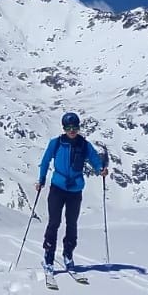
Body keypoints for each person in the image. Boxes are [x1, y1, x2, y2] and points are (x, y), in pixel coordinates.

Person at [36, 112, 107, 274]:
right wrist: (41, 180)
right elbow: (45, 161)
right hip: (57, 188)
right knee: (54, 222)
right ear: (64, 128)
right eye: (69, 127)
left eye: (75, 127)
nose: (72, 130)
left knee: (72, 223)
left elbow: (95, 160)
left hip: (75, 189)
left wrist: (100, 170)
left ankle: (68, 254)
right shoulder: (56, 143)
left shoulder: (84, 145)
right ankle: (49, 255)